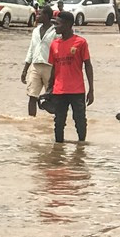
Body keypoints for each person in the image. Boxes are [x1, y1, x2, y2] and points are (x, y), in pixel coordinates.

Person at [46, 11, 94, 143]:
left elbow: (88, 65)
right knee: (59, 122)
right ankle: (58, 150)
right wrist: (49, 88)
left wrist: (91, 90)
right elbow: (54, 68)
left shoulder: (81, 42)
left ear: (67, 25)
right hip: (59, 90)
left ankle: (81, 148)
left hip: (77, 90)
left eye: (58, 24)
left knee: (80, 121)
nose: (55, 27)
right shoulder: (54, 44)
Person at [21, 6, 56, 117]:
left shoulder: (55, 31)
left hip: (50, 67)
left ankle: (56, 121)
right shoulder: (35, 31)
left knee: (52, 97)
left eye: (39, 14)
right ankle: (32, 122)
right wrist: (25, 69)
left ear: (46, 16)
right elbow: (31, 49)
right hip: (35, 66)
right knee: (32, 95)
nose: (37, 16)